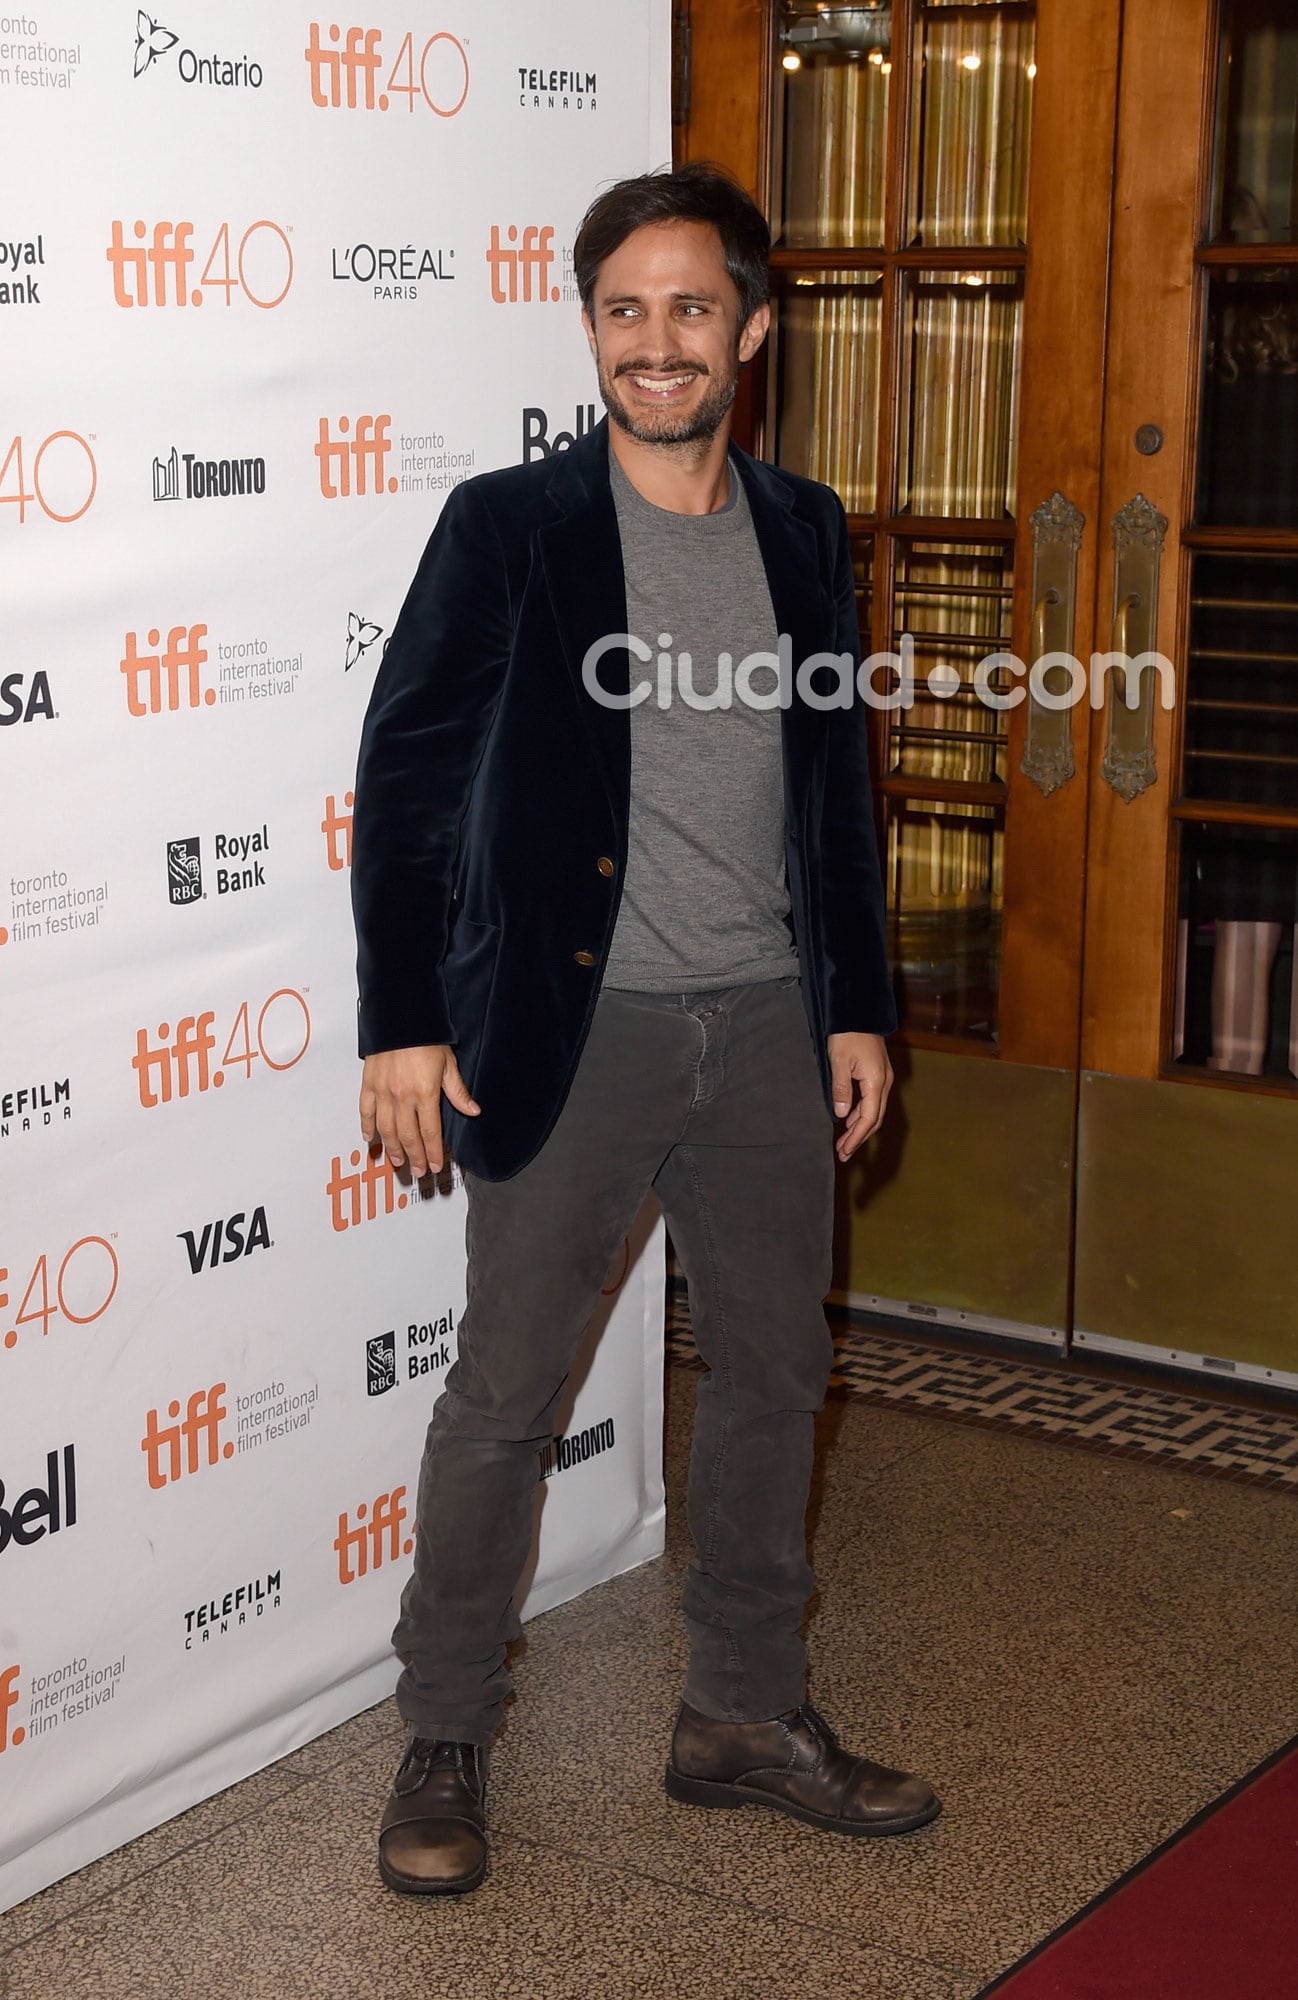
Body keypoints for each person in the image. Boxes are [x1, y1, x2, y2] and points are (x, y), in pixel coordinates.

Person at [350, 162, 940, 1899]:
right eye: (624, 309)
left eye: (691, 309)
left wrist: (857, 1011)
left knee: (772, 1378)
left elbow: (834, 789)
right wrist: (399, 1020)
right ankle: (443, 1730)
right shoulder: (507, 527)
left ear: (750, 332)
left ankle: (742, 1716)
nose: (655, 342)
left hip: (765, 1026)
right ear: (591, 330)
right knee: (503, 1401)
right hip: (570, 1029)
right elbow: (405, 779)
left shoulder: (806, 529)